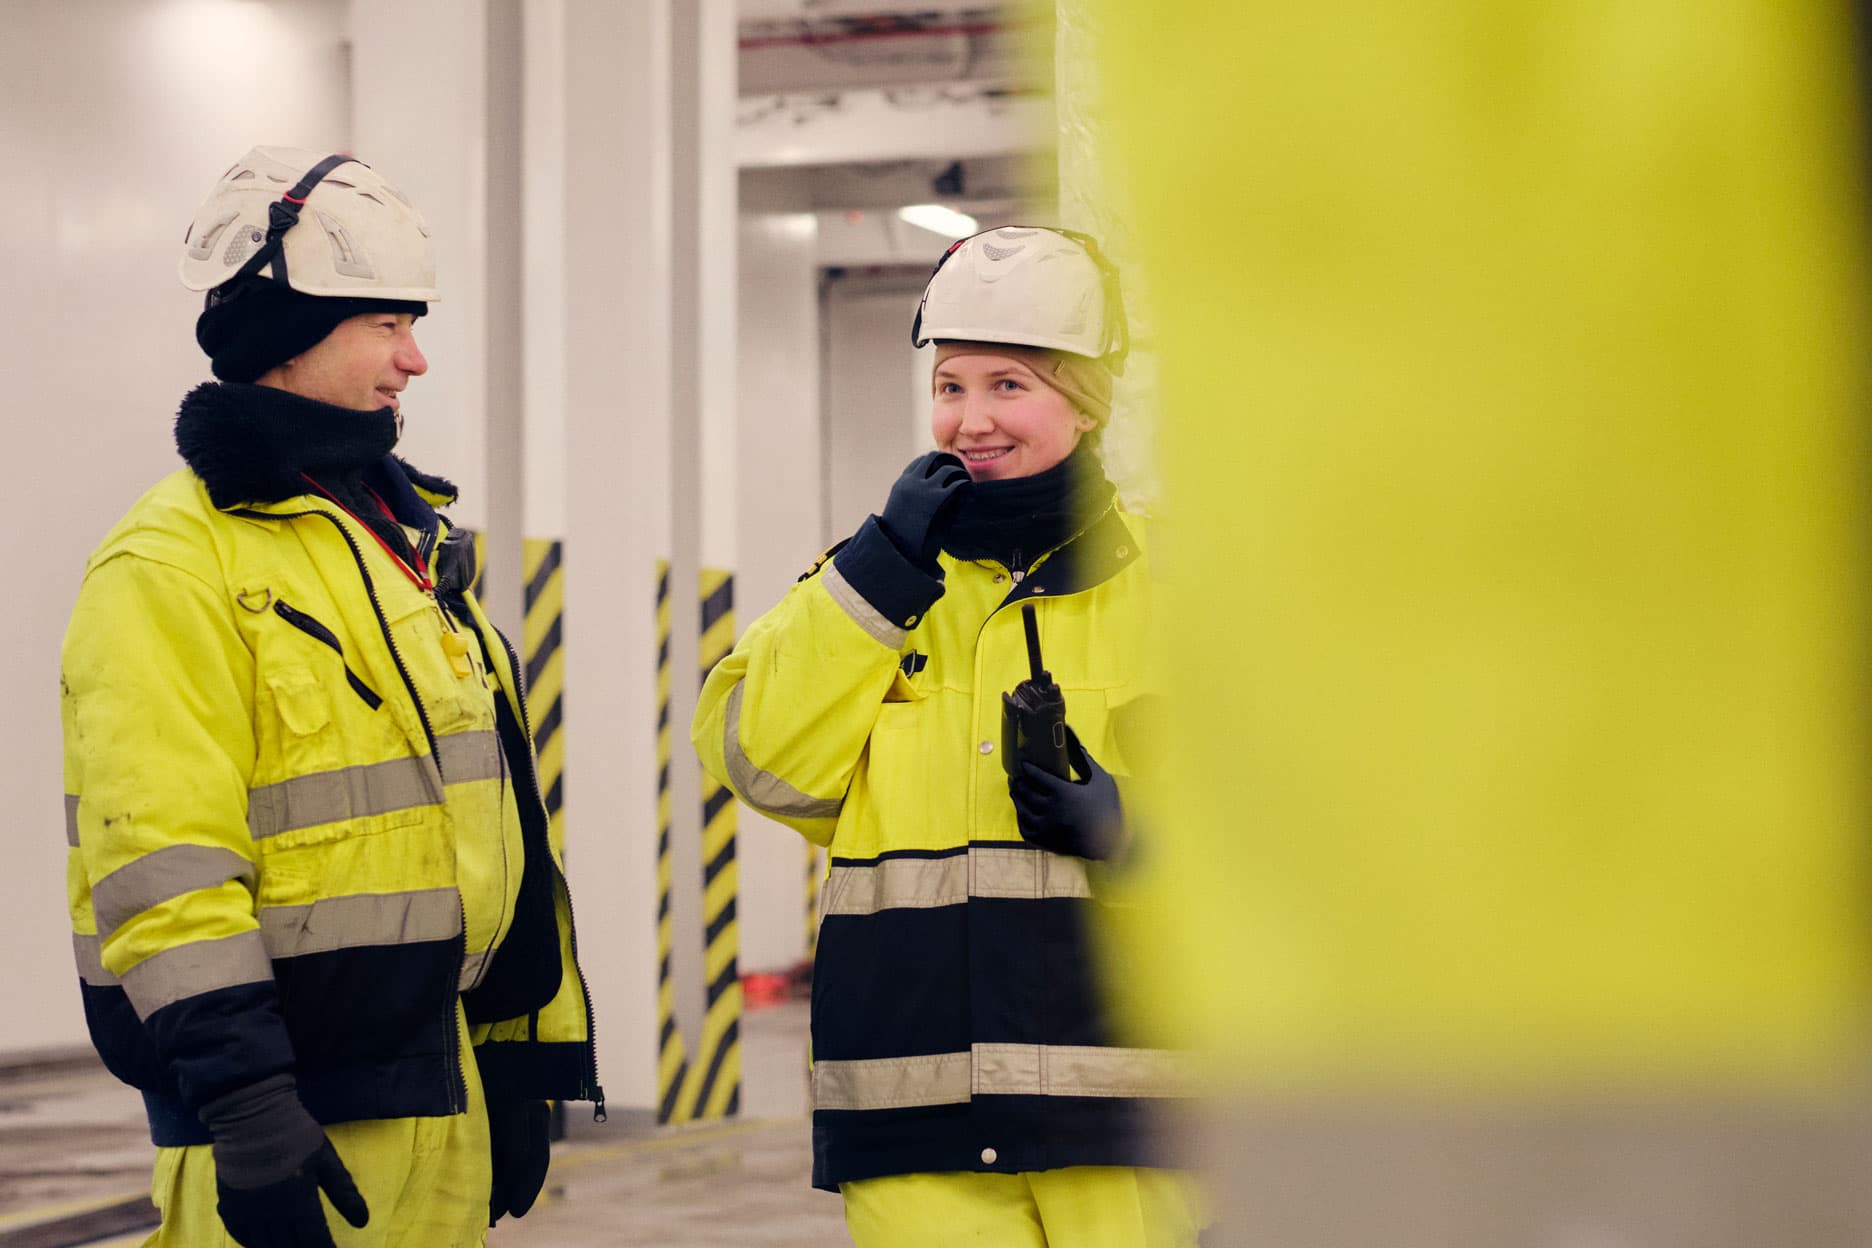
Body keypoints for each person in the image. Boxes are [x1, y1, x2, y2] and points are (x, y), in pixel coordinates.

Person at [59, 146, 602, 1248]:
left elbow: (488, 832)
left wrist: (511, 1055)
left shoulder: (395, 545)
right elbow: (161, 861)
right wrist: (247, 1103)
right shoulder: (170, 565)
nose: (416, 359)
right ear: (289, 333)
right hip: (286, 1117)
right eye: (388, 325)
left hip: (436, 1094)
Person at [693, 226, 1202, 1246]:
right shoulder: (873, 584)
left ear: (1086, 400)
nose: (971, 420)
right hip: (914, 1115)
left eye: (1009, 386)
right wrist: (877, 573)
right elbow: (759, 759)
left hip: (1131, 1115)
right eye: (952, 385)